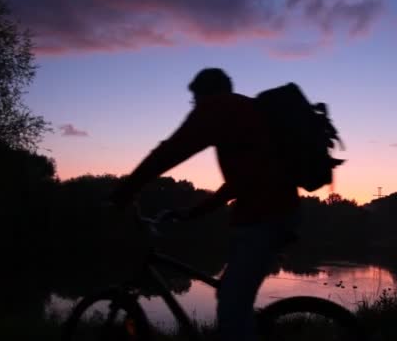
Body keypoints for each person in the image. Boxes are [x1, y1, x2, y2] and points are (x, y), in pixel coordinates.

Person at [111, 68, 301, 341]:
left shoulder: (217, 108)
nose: (195, 106)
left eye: (195, 100)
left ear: (203, 93)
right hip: (274, 212)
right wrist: (192, 213)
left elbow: (170, 151)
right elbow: (238, 184)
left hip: (264, 217)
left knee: (232, 308)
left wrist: (124, 192)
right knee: (233, 296)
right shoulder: (246, 112)